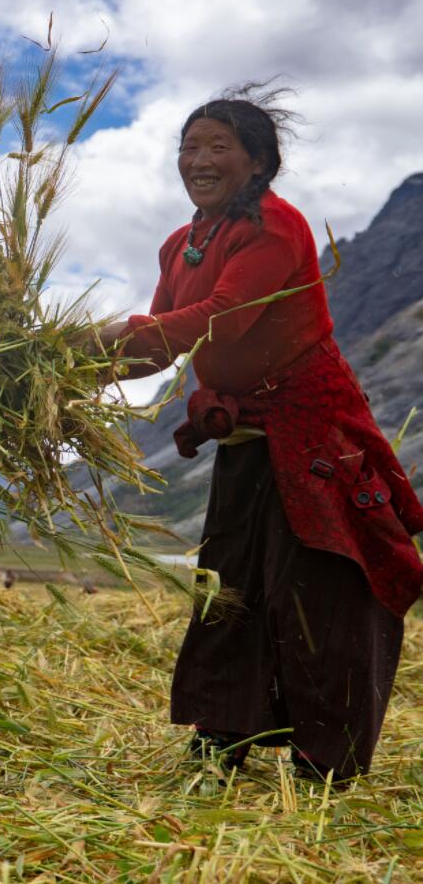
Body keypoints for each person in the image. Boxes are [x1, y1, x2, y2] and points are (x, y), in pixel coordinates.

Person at [99, 89, 423, 782]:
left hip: (309, 430)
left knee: (317, 584)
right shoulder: (177, 245)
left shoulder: (276, 228)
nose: (198, 159)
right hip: (244, 435)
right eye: (189, 146)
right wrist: (50, 366)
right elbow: (156, 351)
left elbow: (221, 317)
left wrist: (102, 335)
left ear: (256, 162)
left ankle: (324, 758)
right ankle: (221, 736)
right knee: (229, 583)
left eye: (217, 146)